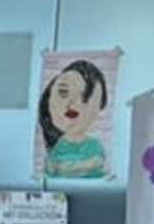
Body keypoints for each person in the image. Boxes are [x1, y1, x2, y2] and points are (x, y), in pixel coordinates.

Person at [36, 54, 111, 184]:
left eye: (86, 99)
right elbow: (51, 166)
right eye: (64, 93)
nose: (73, 104)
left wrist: (66, 167)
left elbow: (97, 163)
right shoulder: (57, 146)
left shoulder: (94, 145)